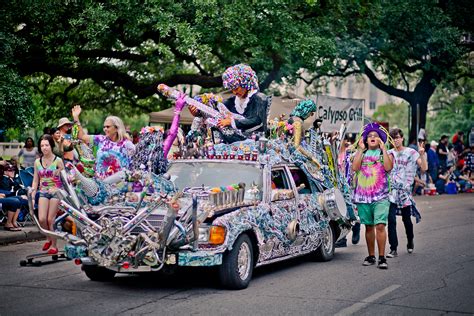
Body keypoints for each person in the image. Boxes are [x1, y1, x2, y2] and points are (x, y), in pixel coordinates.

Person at [190, 64, 269, 143]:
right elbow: (214, 111)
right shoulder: (232, 101)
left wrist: (231, 122)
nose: (234, 92)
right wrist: (198, 112)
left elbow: (257, 120)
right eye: (232, 89)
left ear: (245, 83)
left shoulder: (260, 98)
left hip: (256, 142)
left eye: (236, 88)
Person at [352, 122, 393, 269]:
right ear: (365, 140)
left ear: (381, 139)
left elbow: (388, 168)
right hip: (363, 196)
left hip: (381, 196)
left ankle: (382, 258)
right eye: (370, 136)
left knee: (380, 225)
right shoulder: (361, 153)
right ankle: (371, 256)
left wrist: (384, 149)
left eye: (376, 136)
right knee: (368, 227)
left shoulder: (385, 154)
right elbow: (355, 168)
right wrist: (360, 150)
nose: (373, 137)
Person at [387, 128, 427, 258]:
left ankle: (410, 240)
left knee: (406, 219)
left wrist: (422, 154)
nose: (395, 140)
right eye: (393, 138)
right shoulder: (389, 153)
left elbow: (424, 168)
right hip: (391, 192)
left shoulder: (411, 152)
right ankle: (393, 248)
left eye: (397, 137)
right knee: (391, 220)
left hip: (405, 193)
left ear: (402, 138)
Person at [72, 105, 136, 179]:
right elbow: (82, 136)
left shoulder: (127, 144)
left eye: (108, 127)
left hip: (120, 185)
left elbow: (135, 165)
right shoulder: (101, 139)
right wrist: (76, 117)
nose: (105, 129)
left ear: (116, 128)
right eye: (104, 127)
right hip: (100, 183)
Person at [31, 134, 64, 254]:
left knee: (51, 220)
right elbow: (35, 180)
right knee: (42, 219)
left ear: (51, 146)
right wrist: (33, 195)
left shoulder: (58, 161)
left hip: (55, 193)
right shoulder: (37, 162)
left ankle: (54, 246)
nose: (44, 148)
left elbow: (64, 180)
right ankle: (49, 238)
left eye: (47, 145)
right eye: (42, 145)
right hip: (43, 192)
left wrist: (57, 188)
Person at [0, 163, 28, 231]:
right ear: (5, 172)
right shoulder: (4, 180)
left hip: (6, 196)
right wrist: (18, 193)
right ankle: (9, 223)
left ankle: (13, 222)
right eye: (10, 170)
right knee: (16, 200)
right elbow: (6, 193)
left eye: (13, 170)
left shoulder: (11, 179)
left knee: (20, 199)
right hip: (4, 198)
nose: (12, 172)